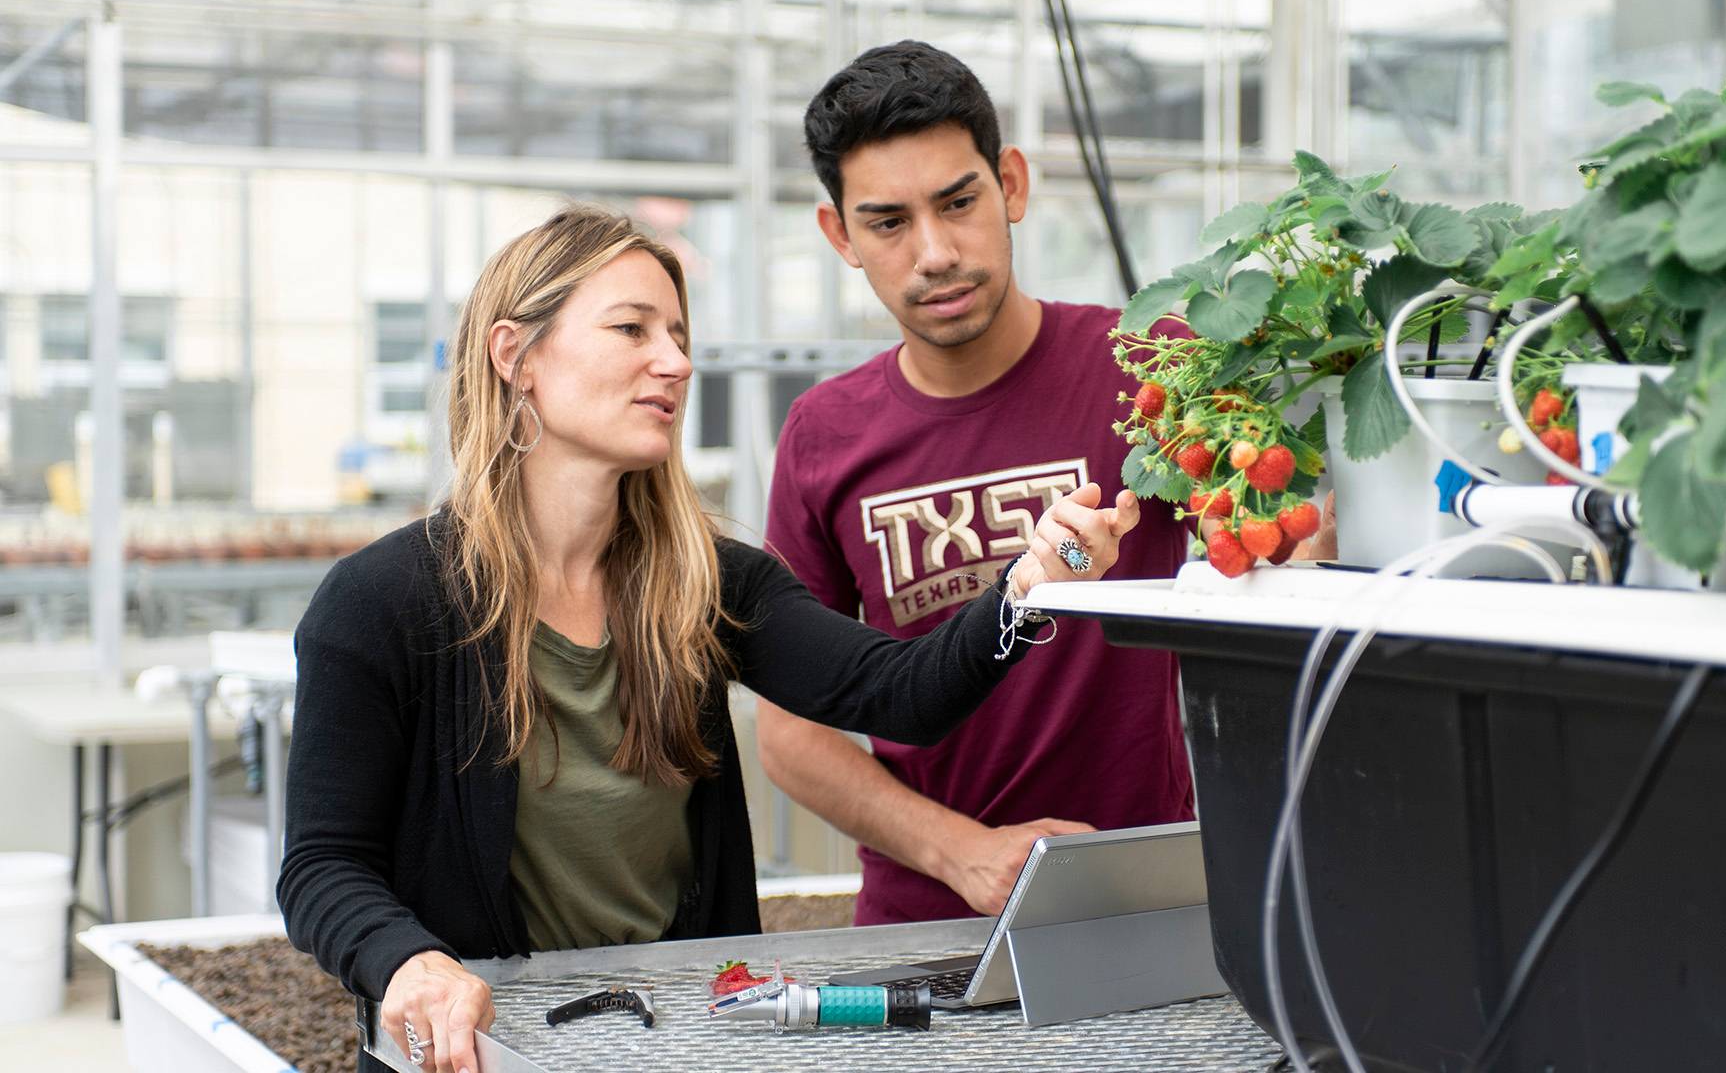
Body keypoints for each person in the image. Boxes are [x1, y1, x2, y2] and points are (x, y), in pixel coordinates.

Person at [277, 204, 1141, 1073]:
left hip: (679, 1040)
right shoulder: (382, 604)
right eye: (632, 329)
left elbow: (902, 694)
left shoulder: (709, 584)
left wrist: (1027, 588)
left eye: (680, 334)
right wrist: (409, 963)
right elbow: (321, 868)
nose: (676, 362)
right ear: (516, 356)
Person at [753, 40, 1198, 927]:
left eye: (959, 202)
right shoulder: (823, 434)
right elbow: (790, 731)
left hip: (1142, 899)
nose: (935, 252)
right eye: (887, 222)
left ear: (1013, 187)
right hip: (924, 925)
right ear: (839, 235)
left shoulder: (1150, 366)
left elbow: (1282, 565)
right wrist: (965, 855)